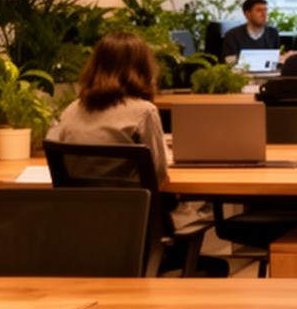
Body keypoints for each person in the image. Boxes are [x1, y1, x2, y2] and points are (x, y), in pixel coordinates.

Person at [48, 32, 222, 273]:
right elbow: (159, 177)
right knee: (208, 219)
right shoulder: (143, 111)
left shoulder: (71, 111)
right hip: (138, 224)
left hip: (86, 228)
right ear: (142, 68)